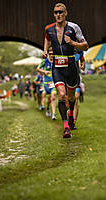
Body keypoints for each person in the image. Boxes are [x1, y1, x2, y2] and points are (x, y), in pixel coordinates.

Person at [43, 2, 89, 138]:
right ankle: (66, 128)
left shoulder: (74, 28)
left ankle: (70, 115)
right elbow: (46, 39)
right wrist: (45, 51)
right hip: (57, 66)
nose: (58, 14)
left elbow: (85, 46)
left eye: (60, 12)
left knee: (71, 97)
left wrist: (73, 43)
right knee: (61, 95)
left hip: (71, 65)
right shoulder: (49, 29)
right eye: (56, 12)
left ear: (65, 13)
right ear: (54, 14)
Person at [37, 47, 57, 120]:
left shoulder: (56, 61)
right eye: (50, 54)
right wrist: (44, 72)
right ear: (48, 54)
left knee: (53, 97)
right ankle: (48, 107)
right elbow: (38, 69)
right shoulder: (44, 61)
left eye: (53, 54)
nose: (52, 55)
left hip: (54, 82)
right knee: (49, 99)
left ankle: (54, 114)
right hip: (46, 83)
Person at [73, 49, 86, 129]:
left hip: (76, 77)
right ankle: (69, 115)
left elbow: (82, 60)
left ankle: (74, 122)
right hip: (65, 77)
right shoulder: (64, 46)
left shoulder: (79, 50)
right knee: (67, 100)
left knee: (76, 99)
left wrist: (83, 65)